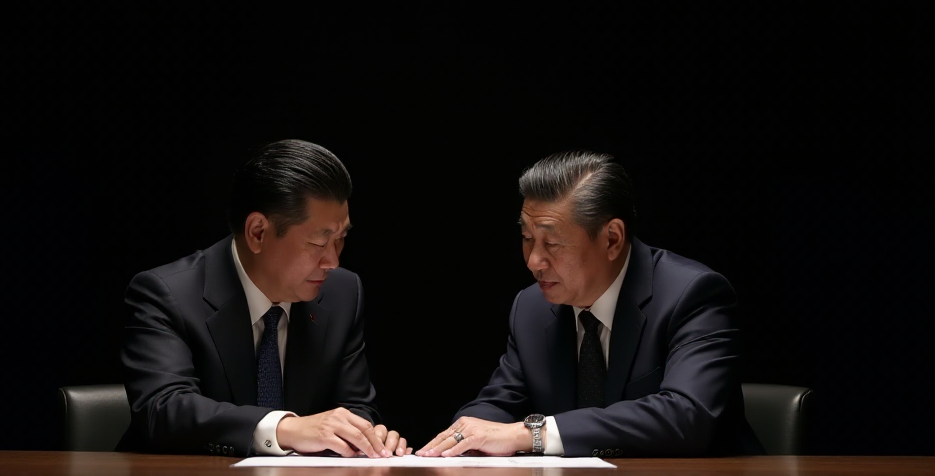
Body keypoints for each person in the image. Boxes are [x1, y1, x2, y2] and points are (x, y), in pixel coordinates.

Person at [418, 151, 764, 458]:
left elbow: (688, 415)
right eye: (526, 238)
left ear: (612, 238)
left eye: (551, 242)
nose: (533, 261)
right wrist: (460, 439)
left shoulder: (691, 294)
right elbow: (498, 403)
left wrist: (531, 434)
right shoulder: (531, 307)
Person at [118, 139, 409, 458]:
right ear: (258, 232)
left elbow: (356, 406)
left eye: (340, 239)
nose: (333, 261)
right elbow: (163, 409)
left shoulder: (341, 292)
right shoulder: (167, 293)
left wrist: (364, 433)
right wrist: (283, 429)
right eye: (318, 242)